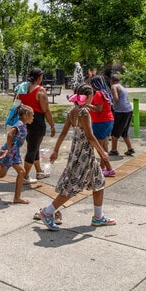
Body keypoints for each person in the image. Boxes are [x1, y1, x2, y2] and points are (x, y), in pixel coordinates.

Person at [37, 83, 116, 231]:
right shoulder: (84, 112)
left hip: (80, 152)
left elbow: (63, 133)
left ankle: (98, 217)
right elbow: (90, 136)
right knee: (72, 186)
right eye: (91, 95)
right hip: (83, 155)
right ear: (88, 97)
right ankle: (47, 212)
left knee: (99, 182)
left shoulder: (73, 111)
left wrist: (56, 150)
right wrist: (103, 153)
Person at [19, 68, 56, 184]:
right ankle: (24, 177)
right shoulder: (40, 90)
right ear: (39, 77)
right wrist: (52, 125)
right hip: (37, 122)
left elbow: (17, 103)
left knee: (34, 146)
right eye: (42, 77)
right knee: (32, 149)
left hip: (25, 121)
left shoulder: (22, 89)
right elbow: (46, 110)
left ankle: (39, 171)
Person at [89, 75, 116, 177]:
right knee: (104, 146)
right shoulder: (105, 93)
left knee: (99, 147)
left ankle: (109, 168)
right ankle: (102, 167)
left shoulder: (98, 94)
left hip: (100, 122)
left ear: (94, 84)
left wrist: (86, 104)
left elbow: (98, 109)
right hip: (108, 120)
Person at [109, 74, 135, 156]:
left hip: (121, 112)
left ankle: (114, 150)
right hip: (129, 110)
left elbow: (115, 99)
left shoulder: (113, 87)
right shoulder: (122, 87)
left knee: (114, 132)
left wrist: (109, 102)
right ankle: (130, 148)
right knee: (124, 132)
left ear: (111, 81)